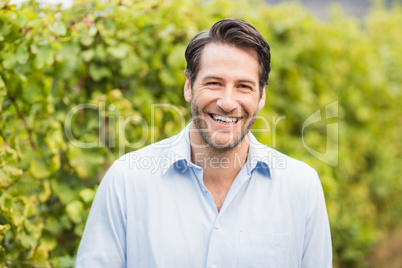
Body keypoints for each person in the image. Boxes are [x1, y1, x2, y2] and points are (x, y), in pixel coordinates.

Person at [76, 18, 332, 267]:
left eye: (243, 86)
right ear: (189, 86)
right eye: (214, 83)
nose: (228, 102)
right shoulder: (127, 181)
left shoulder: (301, 188)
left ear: (262, 95)